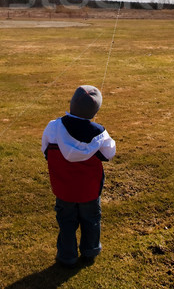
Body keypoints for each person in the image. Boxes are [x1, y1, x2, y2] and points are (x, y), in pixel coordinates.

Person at [42, 85, 116, 268]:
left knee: (66, 221)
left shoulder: (53, 127)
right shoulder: (99, 133)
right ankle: (90, 250)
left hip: (63, 188)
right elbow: (109, 154)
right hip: (89, 190)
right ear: (95, 111)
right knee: (91, 219)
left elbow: (46, 151)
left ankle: (67, 256)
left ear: (71, 103)